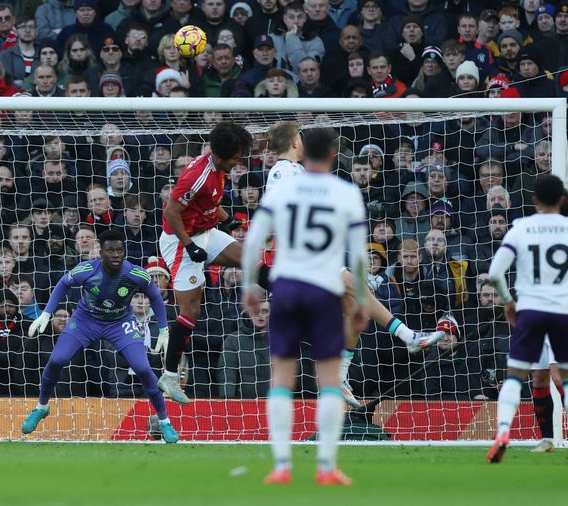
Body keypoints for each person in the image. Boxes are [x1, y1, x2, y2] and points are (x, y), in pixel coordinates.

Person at [263, 121, 443, 407]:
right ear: (295, 142)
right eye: (300, 136)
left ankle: (340, 378)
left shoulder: (295, 170)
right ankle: (407, 335)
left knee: (356, 308)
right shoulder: (283, 170)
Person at [241, 127, 366, 485]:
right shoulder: (345, 193)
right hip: (324, 289)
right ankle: (326, 466)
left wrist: (250, 286)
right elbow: (357, 254)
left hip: (287, 286)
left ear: (303, 150)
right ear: (332, 156)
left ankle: (281, 465)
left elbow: (253, 241)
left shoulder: (284, 188)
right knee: (327, 379)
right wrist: (358, 300)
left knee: (281, 376)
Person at [22, 229, 179, 443]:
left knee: (143, 368)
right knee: (57, 359)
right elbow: (62, 284)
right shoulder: (86, 269)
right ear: (101, 252)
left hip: (120, 323)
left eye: (120, 251)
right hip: (86, 320)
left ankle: (164, 421)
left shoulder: (135, 273)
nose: (116, 255)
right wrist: (47, 313)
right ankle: (42, 407)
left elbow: (155, 297)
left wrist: (163, 328)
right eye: (110, 250)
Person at [486, 175, 568, 465]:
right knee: (554, 378)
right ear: (562, 200)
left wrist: (508, 303)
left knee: (517, 375)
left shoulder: (521, 228)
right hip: (563, 313)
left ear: (534, 200)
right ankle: (562, 440)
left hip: (531, 311)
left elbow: (495, 273)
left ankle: (503, 433)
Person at [156, 121, 253, 404]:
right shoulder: (196, 176)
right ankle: (170, 376)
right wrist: (189, 246)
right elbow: (172, 212)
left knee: (250, 259)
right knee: (191, 310)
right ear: (222, 156)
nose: (238, 162)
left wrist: (227, 219)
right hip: (180, 241)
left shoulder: (216, 168)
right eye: (236, 157)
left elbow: (206, 203)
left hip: (206, 232)